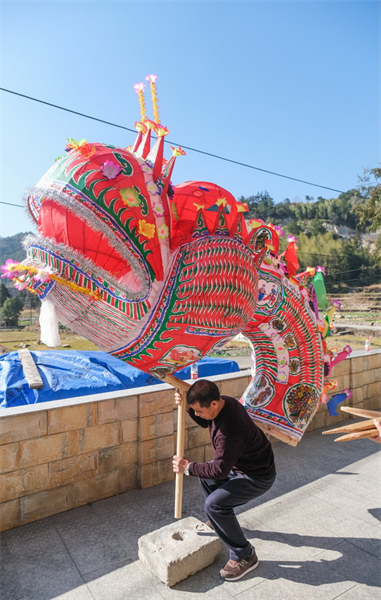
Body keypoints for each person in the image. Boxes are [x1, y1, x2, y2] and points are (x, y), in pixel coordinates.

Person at [172, 379, 276, 582]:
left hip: (257, 475)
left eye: (199, 410)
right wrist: (187, 408)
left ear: (212, 404)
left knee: (214, 504)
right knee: (205, 478)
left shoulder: (230, 430)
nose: (198, 415)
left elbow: (219, 470)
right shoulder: (224, 403)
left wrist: (188, 468)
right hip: (240, 466)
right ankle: (221, 520)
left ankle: (245, 554)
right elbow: (206, 420)